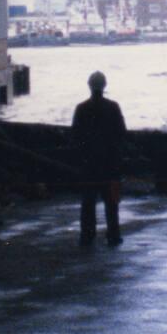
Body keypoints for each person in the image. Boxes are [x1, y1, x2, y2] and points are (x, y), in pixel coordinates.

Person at [71, 71, 127, 247]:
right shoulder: (113, 107)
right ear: (105, 86)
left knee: (88, 201)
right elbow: (121, 132)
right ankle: (113, 234)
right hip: (110, 161)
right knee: (112, 201)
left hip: (89, 162)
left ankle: (87, 235)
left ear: (89, 85)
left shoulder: (81, 108)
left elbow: (75, 135)